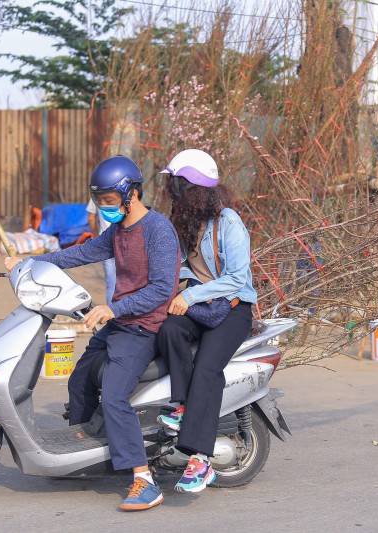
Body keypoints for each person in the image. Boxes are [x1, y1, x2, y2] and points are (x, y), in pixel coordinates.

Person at [5, 156, 179, 512]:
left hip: (144, 327)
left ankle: (144, 480)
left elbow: (163, 288)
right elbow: (80, 253)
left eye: (110, 200)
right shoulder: (117, 233)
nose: (104, 207)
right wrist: (30, 262)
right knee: (79, 379)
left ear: (131, 193)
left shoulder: (158, 230)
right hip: (120, 323)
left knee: (114, 396)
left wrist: (114, 308)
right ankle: (85, 455)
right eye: (100, 200)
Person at [154, 149, 257, 493]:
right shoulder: (187, 222)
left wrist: (189, 295)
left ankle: (201, 459)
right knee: (169, 329)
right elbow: (184, 267)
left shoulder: (228, 222)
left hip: (233, 308)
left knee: (207, 367)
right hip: (203, 305)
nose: (174, 193)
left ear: (195, 188)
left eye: (179, 186)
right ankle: (183, 404)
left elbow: (238, 279)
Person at [86, 199, 117, 305]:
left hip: (106, 243)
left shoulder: (97, 193)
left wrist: (96, 237)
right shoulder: (125, 189)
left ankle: (112, 316)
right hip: (125, 240)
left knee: (111, 283)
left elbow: (91, 218)